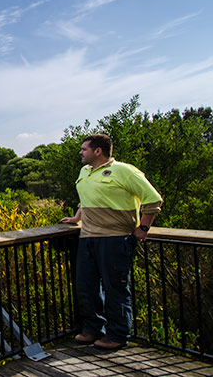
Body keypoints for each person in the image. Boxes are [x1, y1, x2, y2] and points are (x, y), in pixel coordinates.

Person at [60, 134, 162, 350]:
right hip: (88, 237)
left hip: (115, 239)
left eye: (84, 149)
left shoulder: (124, 171)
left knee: (115, 288)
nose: (81, 152)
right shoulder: (84, 172)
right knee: (86, 286)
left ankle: (117, 335)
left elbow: (153, 199)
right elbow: (87, 198)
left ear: (98, 151)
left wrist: (143, 228)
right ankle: (93, 329)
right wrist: (77, 218)